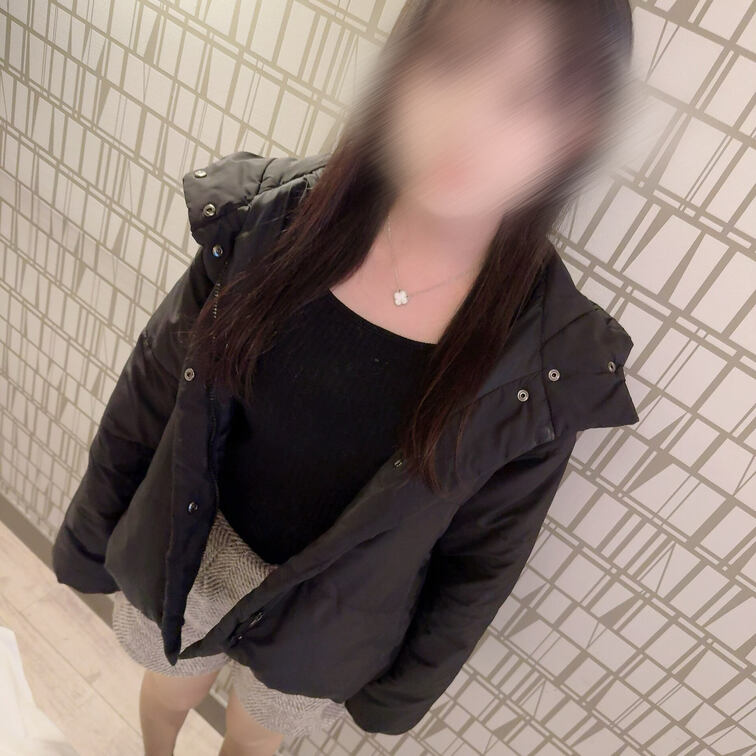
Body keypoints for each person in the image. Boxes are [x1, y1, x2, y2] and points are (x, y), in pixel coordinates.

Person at [52, 1, 638, 754]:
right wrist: (92, 535)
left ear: (578, 134)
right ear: (402, 64)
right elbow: (151, 391)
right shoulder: (261, 223)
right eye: (452, 61)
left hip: (334, 620)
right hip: (189, 552)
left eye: (530, 96)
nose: (470, 120)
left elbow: (482, 561)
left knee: (251, 745)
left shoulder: (546, 361)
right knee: (165, 699)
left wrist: (399, 696)